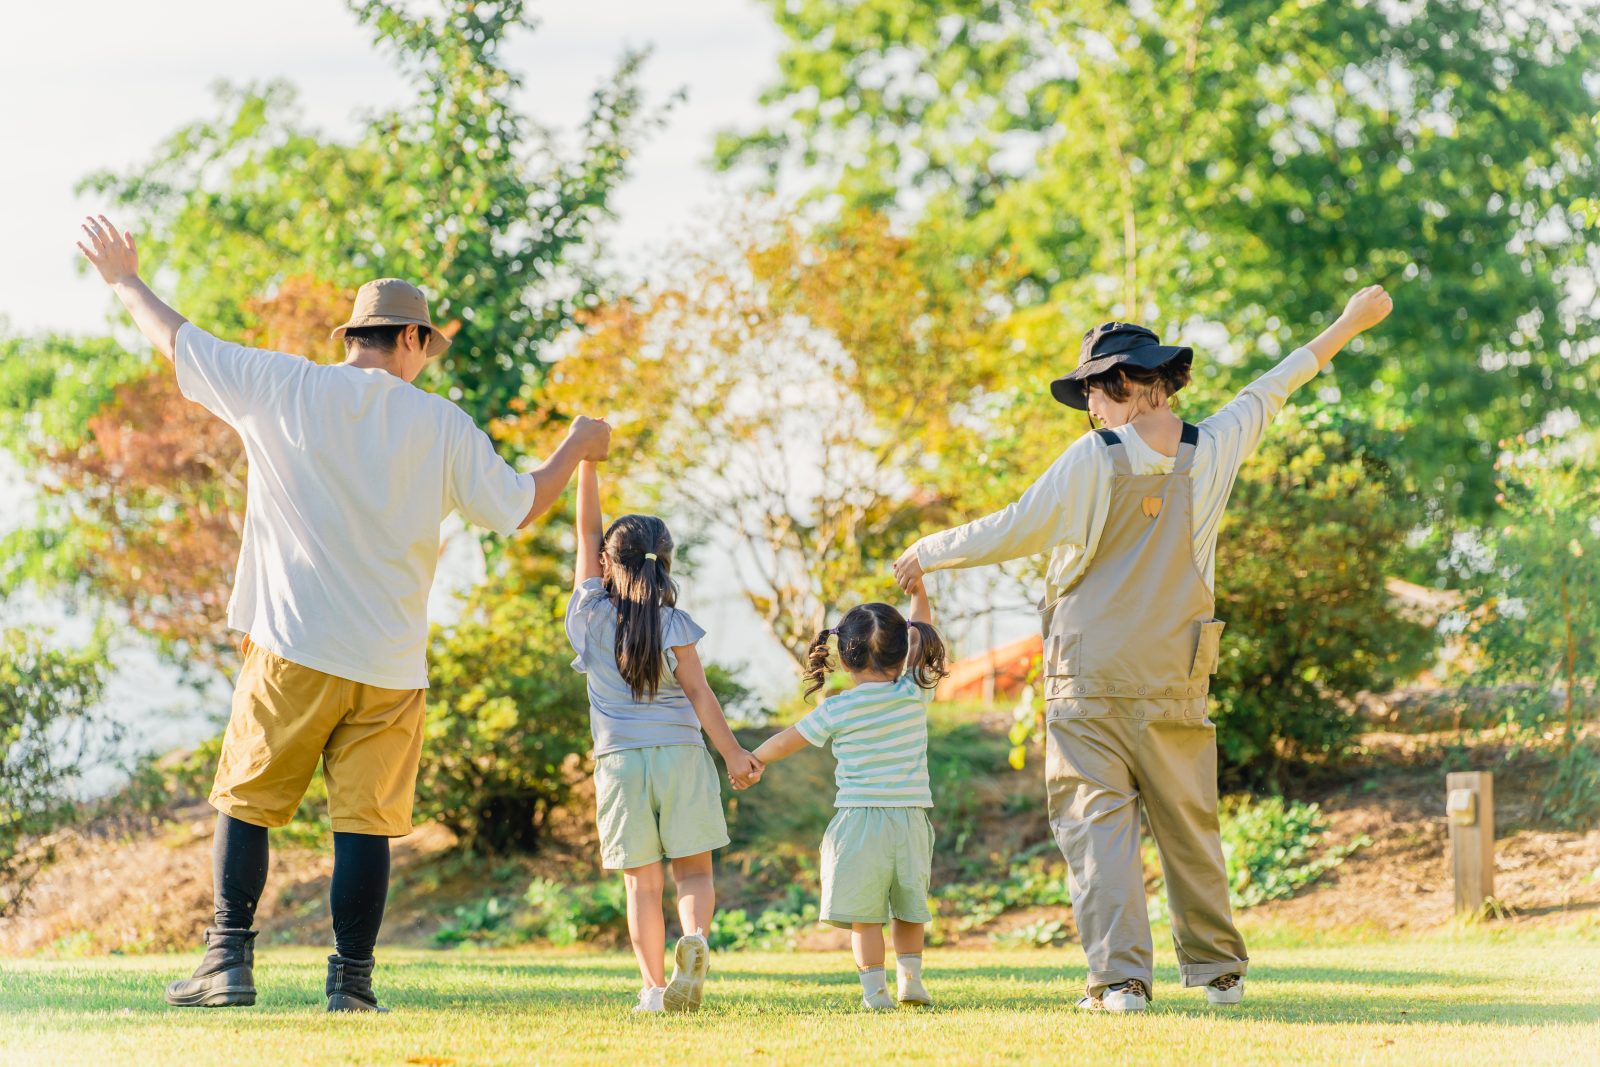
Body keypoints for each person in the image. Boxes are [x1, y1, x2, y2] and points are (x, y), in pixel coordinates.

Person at [75, 216, 612, 1013]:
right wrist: (574, 446)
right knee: (366, 824)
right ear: (412, 340)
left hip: (295, 644)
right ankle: (350, 984)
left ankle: (228, 961)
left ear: (358, 336)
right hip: (391, 665)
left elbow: (181, 342)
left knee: (245, 800)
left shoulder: (285, 384)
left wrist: (124, 279)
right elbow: (520, 506)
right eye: (427, 350)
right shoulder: (441, 424)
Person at [892, 286, 1395, 1012]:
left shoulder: (1090, 459)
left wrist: (927, 552)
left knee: (1096, 827)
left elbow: (1011, 527)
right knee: (1189, 820)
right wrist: (1350, 320)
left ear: (1122, 385)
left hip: (1089, 675)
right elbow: (1281, 379)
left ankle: (1122, 982)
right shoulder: (1215, 444)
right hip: (1177, 673)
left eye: (1093, 394)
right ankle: (1221, 971)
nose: (1091, 410)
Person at [566, 459, 762, 1013]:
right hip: (682, 756)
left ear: (607, 562)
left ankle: (654, 990)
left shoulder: (589, 614)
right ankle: (694, 939)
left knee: (642, 886)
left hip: (621, 763)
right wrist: (734, 756)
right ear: (666, 563)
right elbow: (701, 696)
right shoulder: (675, 625)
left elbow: (585, 530)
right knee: (694, 872)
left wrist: (586, 461)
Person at [749, 579, 950, 1010]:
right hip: (911, 818)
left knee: (866, 915)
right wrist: (918, 590)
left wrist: (754, 759)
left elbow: (789, 738)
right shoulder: (914, 694)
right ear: (903, 652)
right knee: (910, 908)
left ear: (845, 656)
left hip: (859, 821)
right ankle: (911, 981)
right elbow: (922, 627)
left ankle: (875, 992)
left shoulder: (838, 707)